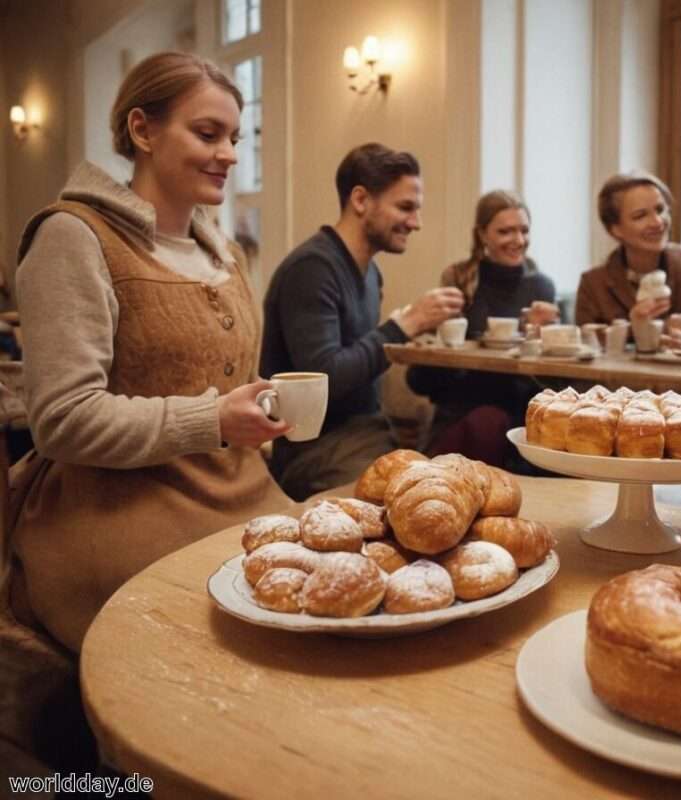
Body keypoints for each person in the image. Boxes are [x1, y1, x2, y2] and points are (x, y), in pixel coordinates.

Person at [8, 51, 292, 653]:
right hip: (115, 512)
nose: (231, 155)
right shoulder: (73, 237)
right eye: (207, 133)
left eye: (235, 137)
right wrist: (214, 420)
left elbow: (220, 377)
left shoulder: (222, 254)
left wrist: (258, 409)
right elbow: (63, 420)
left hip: (240, 492)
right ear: (142, 130)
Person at [260, 143, 464, 499]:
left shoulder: (371, 274)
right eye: (405, 207)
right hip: (316, 452)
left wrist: (412, 333)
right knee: (419, 503)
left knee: (451, 486)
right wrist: (403, 326)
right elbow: (326, 377)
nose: (415, 223)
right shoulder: (313, 269)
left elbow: (359, 360)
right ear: (360, 200)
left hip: (368, 434)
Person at [406, 190, 558, 466]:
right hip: (462, 410)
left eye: (524, 230)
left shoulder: (541, 287)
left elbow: (553, 384)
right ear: (482, 235)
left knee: (492, 423)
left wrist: (548, 337)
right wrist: (434, 332)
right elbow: (422, 380)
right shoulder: (459, 280)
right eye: (506, 232)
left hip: (517, 413)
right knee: (484, 423)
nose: (519, 240)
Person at [575, 171, 681, 344]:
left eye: (660, 209)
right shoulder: (593, 284)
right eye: (640, 216)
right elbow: (585, 348)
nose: (657, 222)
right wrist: (635, 329)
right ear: (615, 229)